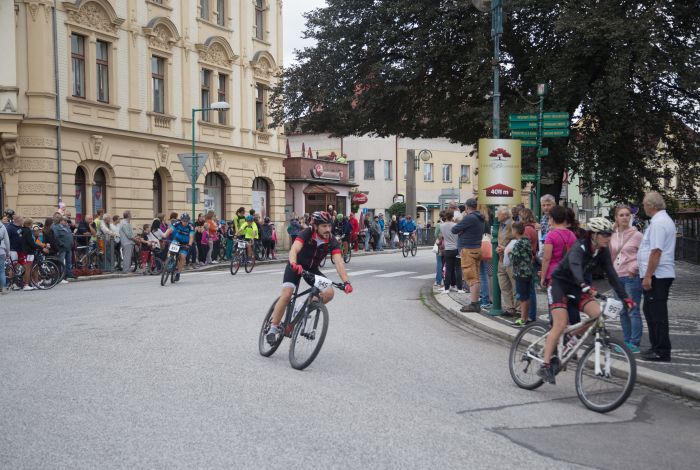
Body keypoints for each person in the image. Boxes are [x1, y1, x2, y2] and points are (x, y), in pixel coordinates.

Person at [537, 217, 634, 384]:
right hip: (560, 284)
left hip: (578, 287)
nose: (608, 238)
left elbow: (611, 274)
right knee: (560, 323)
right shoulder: (579, 247)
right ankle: (545, 365)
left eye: (610, 234)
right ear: (594, 235)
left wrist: (625, 297)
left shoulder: (602, 251)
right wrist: (583, 284)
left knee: (597, 314)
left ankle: (570, 337)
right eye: (605, 234)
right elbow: (575, 265)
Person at [265, 211, 352, 344]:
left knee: (329, 293)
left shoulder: (331, 240)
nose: (328, 229)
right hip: (296, 266)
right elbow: (294, 249)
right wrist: (293, 263)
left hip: (311, 270)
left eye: (329, 226)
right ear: (315, 226)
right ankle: (273, 327)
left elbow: (339, 262)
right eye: (324, 226)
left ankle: (301, 308)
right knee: (287, 294)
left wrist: (346, 282)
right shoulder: (307, 233)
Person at [637, 191, 676, 362]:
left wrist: (648, 276)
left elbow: (656, 252)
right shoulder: (659, 221)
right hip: (658, 274)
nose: (643, 207)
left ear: (650, 205)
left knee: (657, 313)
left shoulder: (659, 223)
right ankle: (656, 346)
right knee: (650, 310)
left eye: (644, 204)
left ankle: (662, 350)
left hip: (658, 275)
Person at [609, 204, 644, 353]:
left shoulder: (637, 235)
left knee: (633, 311)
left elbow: (644, 255)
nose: (624, 217)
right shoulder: (612, 235)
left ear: (630, 217)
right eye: (621, 215)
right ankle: (626, 341)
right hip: (617, 278)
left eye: (627, 215)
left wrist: (634, 267)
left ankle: (634, 343)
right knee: (622, 311)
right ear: (616, 218)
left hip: (631, 277)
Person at [451, 198, 485, 313]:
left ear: (466, 207)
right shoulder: (480, 217)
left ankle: (474, 304)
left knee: (471, 278)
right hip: (476, 248)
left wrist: (460, 225)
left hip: (468, 250)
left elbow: (454, 230)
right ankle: (476, 302)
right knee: (476, 277)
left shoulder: (469, 218)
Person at [539, 205, 578, 289]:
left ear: (552, 219)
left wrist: (542, 277)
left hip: (554, 274)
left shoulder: (551, 235)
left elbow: (546, 258)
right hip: (569, 273)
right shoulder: (572, 234)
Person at [510, 222, 535, 327]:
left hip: (521, 273)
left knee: (522, 297)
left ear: (515, 231)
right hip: (528, 272)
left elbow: (514, 259)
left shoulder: (518, 243)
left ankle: (522, 319)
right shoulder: (526, 241)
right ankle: (526, 317)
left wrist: (508, 253)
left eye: (512, 230)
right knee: (527, 296)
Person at [519, 208, 539, 322]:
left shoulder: (527, 229)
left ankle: (529, 315)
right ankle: (530, 315)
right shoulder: (532, 228)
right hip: (531, 260)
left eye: (520, 216)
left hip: (527, 262)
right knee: (530, 289)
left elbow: (524, 246)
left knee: (528, 290)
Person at [496, 206, 517, 316]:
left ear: (504, 215)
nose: (496, 216)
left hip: (511, 260)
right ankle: (510, 308)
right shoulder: (501, 225)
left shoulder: (513, 225)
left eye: (498, 214)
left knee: (514, 285)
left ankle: (518, 309)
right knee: (504, 285)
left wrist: (505, 249)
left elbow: (517, 241)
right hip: (501, 259)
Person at [161, 213, 195, 281]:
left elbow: (191, 237)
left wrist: (189, 244)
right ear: (181, 220)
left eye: (186, 221)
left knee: (182, 257)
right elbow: (170, 230)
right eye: (183, 221)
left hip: (185, 243)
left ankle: (178, 273)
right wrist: (164, 235)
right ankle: (169, 261)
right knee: (170, 250)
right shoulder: (177, 223)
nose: (185, 222)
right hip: (177, 240)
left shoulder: (190, 226)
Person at [437, 211, 464, 294]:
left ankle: (446, 288)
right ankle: (460, 288)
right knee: (458, 269)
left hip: (447, 249)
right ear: (453, 216)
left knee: (448, 269)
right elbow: (460, 234)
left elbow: (440, 236)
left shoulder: (442, 226)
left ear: (445, 216)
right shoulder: (456, 225)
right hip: (456, 249)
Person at [0, 219, 10, 294]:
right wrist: (8, 252)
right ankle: (3, 288)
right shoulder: (2, 226)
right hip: (1, 251)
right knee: (1, 270)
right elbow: (6, 240)